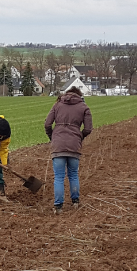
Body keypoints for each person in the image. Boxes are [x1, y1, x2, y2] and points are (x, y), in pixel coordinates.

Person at [45, 85, 93, 214]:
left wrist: (52, 136)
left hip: (58, 144)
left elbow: (47, 124)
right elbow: (88, 129)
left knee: (59, 177)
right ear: (79, 95)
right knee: (73, 174)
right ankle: (75, 201)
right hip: (74, 145)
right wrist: (79, 137)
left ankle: (58, 206)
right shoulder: (84, 107)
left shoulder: (57, 105)